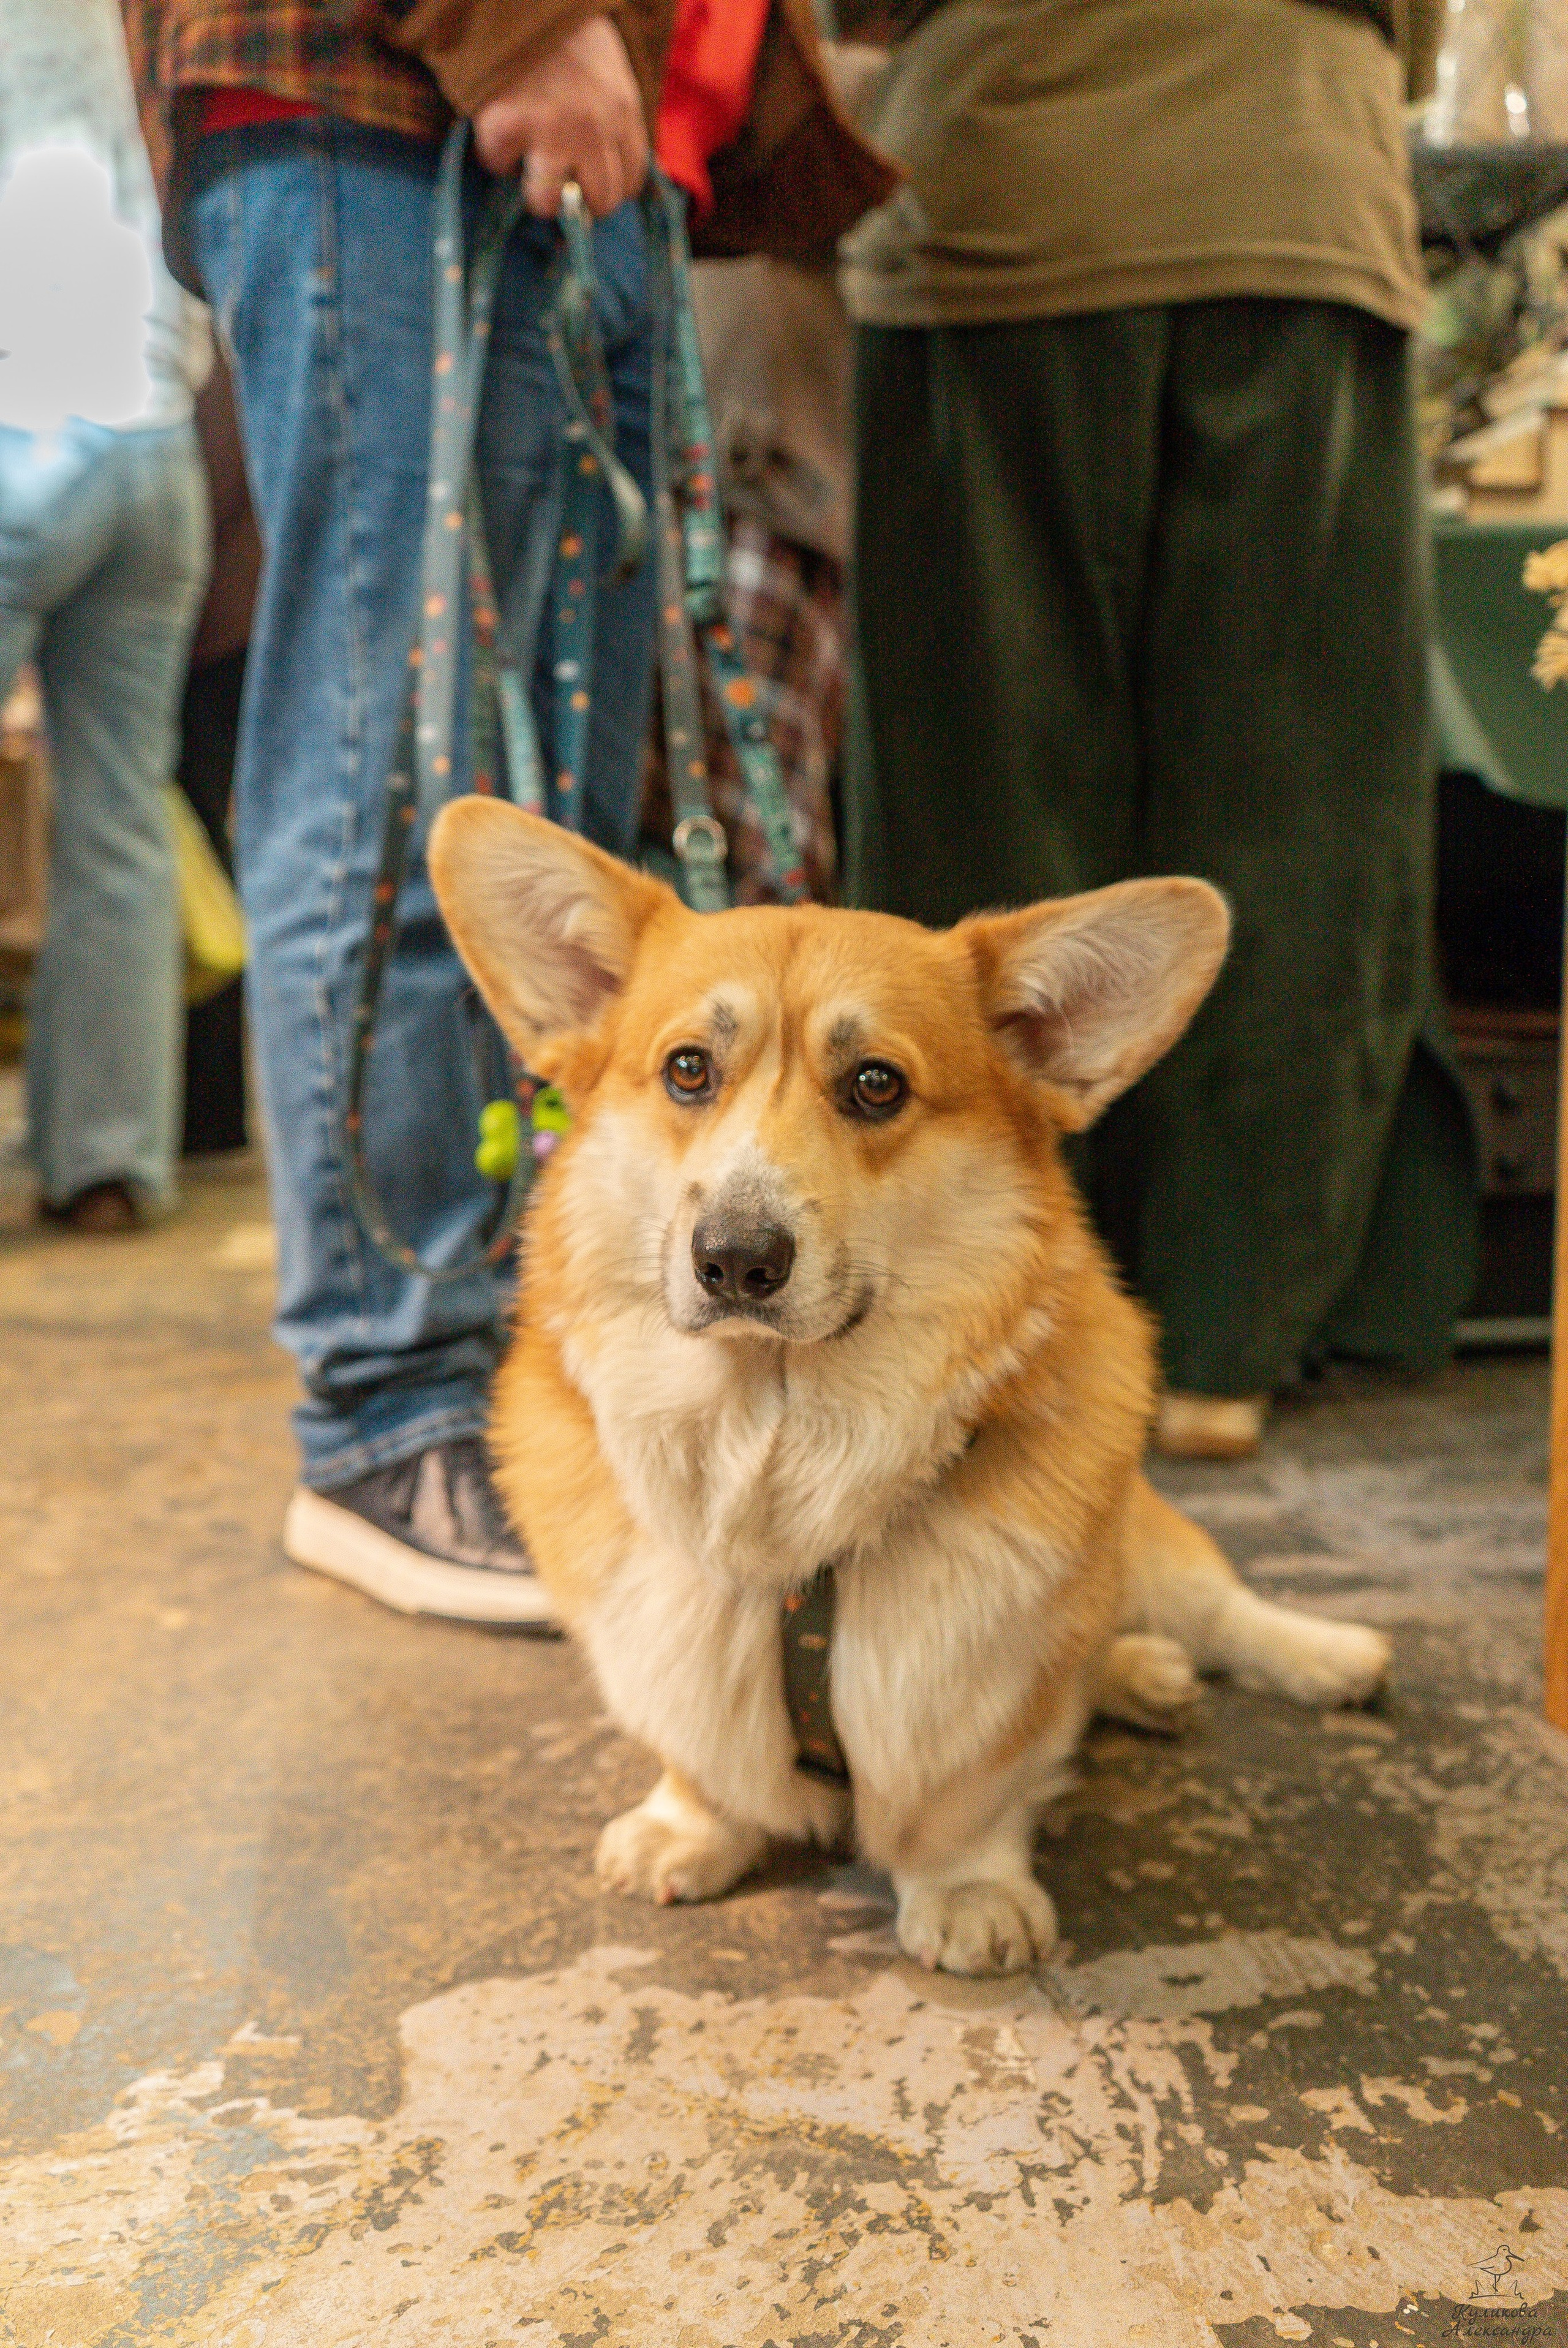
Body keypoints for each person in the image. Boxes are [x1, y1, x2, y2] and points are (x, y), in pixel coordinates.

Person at [123, 0, 892, 1621]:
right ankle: (388, 1421)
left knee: (566, 883)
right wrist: (516, 24)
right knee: (402, 782)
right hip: (396, 95)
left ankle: (503, 1373)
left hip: (622, 157)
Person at [839, 0, 1478, 1460]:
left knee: (975, 804)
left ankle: (988, 1314)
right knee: (1297, 802)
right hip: (1293, 166)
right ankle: (1229, 1340)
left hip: (997, 177)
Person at [0, 0, 211, 1233]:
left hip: (22, 419)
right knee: (122, 814)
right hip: (152, 434)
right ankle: (110, 1165)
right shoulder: (132, 16)